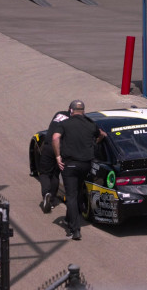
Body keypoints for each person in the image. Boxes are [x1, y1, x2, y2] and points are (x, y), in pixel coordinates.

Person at [50, 99, 107, 240]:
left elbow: (55, 137)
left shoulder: (64, 123)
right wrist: (94, 144)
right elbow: (102, 134)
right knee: (77, 192)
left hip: (69, 165)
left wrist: (57, 156)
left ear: (71, 110)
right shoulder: (90, 124)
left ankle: (75, 229)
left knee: (71, 195)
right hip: (86, 164)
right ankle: (71, 219)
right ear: (83, 111)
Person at [38, 125, 61, 214]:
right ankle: (51, 200)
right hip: (63, 149)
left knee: (44, 173)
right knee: (55, 174)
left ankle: (46, 193)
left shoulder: (59, 114)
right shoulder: (78, 121)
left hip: (51, 146)